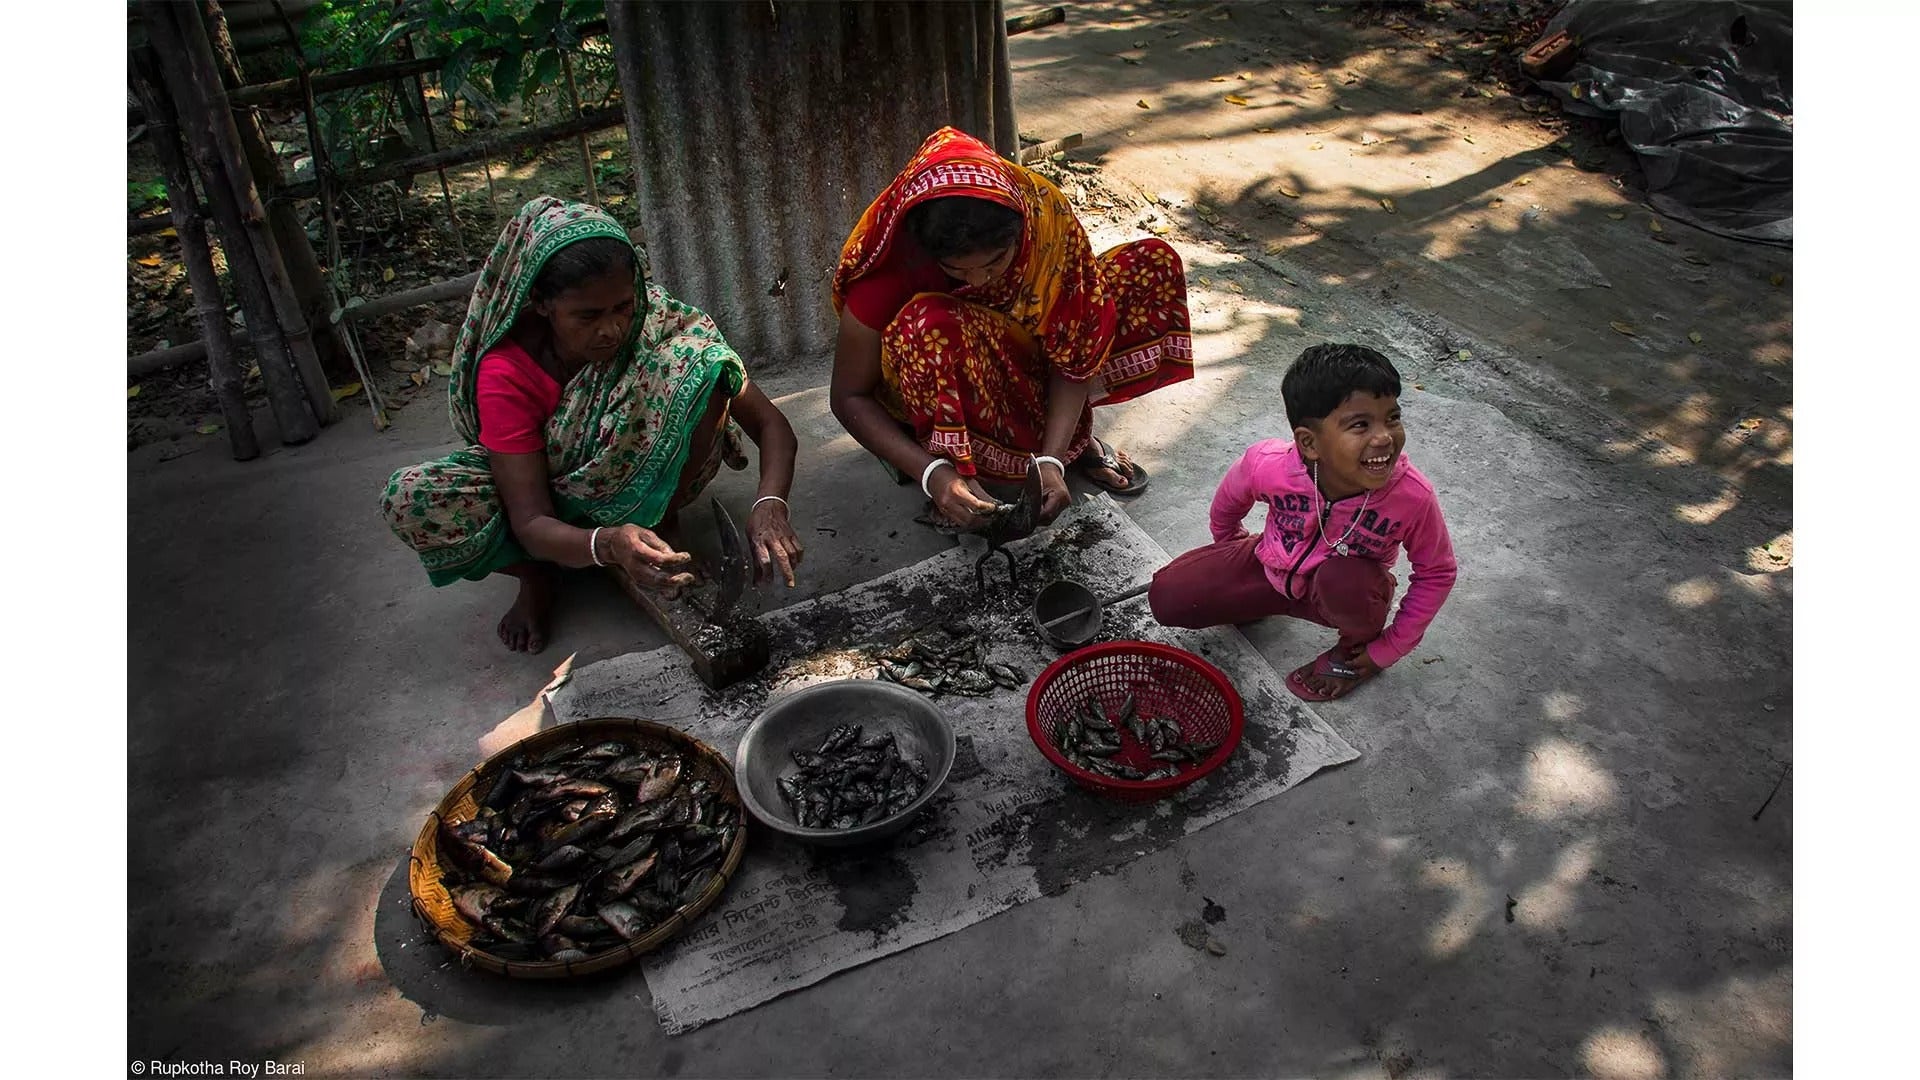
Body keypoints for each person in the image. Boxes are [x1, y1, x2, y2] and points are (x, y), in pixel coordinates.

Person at [380, 196, 803, 654]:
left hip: (642, 477)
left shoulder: (656, 319)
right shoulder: (506, 371)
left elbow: (771, 424)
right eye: (587, 316)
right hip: (550, 499)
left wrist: (770, 501)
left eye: (622, 307)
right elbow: (529, 519)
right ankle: (538, 574)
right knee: (414, 499)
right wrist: (605, 543)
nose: (612, 330)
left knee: (700, 364)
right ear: (540, 304)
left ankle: (660, 517)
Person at [829, 126, 1193, 532]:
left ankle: (1064, 444)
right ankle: (964, 467)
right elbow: (848, 396)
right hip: (946, 375)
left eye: (996, 262)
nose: (982, 281)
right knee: (930, 326)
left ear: (1020, 229)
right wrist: (933, 475)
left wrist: (1052, 460)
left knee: (1148, 263)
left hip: (1026, 361)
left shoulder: (1043, 216)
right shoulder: (894, 263)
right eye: (958, 270)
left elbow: (1075, 345)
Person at [1148, 344, 1457, 701]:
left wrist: (1386, 649)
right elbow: (1229, 503)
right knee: (1168, 596)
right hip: (1270, 568)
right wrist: (1230, 546)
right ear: (1309, 443)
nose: (1385, 437)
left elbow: (1437, 573)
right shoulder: (1270, 465)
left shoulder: (1413, 496)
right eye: (1360, 424)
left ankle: (1352, 652)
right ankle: (1255, 602)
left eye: (1392, 417)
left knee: (1344, 580)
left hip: (1343, 593)